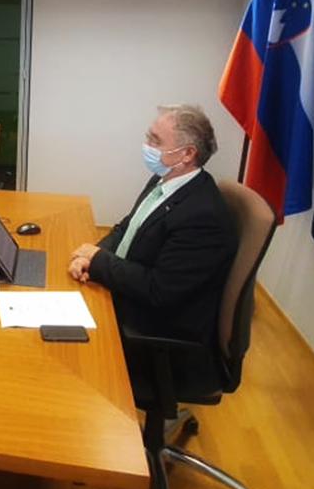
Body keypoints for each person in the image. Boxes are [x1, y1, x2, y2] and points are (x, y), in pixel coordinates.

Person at [67, 104, 239, 391]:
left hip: (155, 333)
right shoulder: (165, 181)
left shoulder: (203, 215)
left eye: (155, 140)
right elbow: (125, 227)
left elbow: (159, 289)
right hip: (129, 294)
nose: (146, 146)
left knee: (63, 353)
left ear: (187, 154)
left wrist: (98, 262)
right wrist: (91, 256)